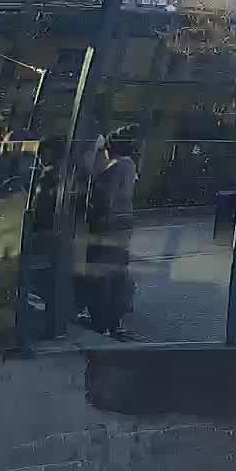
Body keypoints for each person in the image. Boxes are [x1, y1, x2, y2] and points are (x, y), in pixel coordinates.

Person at [82, 130, 138, 337]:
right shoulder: (130, 165)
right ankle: (115, 321)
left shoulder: (113, 169)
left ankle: (101, 321)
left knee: (100, 273)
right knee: (117, 271)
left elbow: (104, 200)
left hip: (107, 226)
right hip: (124, 223)